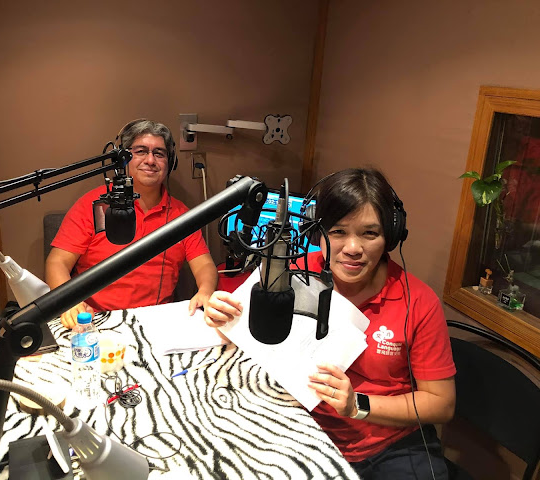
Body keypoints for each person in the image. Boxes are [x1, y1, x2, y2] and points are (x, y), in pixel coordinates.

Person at [203, 168, 456, 479]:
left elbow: (440, 404)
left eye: (369, 233)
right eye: (337, 232)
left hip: (390, 445)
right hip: (304, 430)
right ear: (316, 233)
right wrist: (220, 317)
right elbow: (246, 341)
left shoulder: (418, 301)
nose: (353, 248)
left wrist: (357, 405)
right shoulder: (290, 270)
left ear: (390, 237)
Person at [46, 119, 217, 328]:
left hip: (157, 321)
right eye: (141, 151)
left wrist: (205, 291)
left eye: (159, 153)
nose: (150, 160)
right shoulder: (93, 204)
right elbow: (57, 262)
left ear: (170, 163)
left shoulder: (182, 215)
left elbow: (204, 265)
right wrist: (69, 303)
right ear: (124, 159)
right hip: (95, 320)